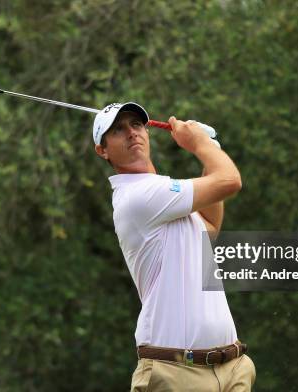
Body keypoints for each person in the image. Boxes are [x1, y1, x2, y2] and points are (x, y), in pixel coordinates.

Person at [93, 102, 256, 391]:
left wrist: (211, 150)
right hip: (175, 373)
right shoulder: (139, 196)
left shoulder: (165, 197)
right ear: (103, 151)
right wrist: (200, 144)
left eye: (136, 125)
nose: (132, 133)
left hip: (232, 368)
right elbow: (230, 181)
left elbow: (209, 226)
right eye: (118, 129)